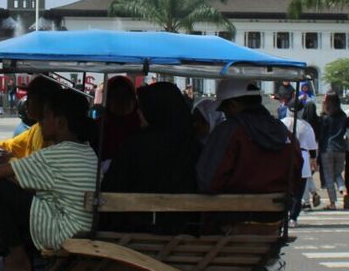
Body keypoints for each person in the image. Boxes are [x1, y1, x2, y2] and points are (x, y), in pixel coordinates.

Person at [0, 88, 97, 271]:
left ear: (61, 122)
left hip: (63, 231)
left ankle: (17, 260)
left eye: (45, 117)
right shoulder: (86, 150)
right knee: (13, 189)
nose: (40, 122)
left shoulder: (57, 155)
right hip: (77, 225)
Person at [102, 82, 197, 233]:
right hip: (187, 232)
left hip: (134, 236)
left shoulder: (134, 146)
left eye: (142, 107)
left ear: (156, 110)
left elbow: (111, 188)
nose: (138, 112)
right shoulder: (194, 145)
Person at [196, 80, 302, 196]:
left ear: (233, 105)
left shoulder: (229, 131)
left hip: (232, 210)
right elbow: (296, 178)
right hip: (276, 212)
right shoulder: (285, 133)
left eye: (225, 109)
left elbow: (209, 181)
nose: (225, 114)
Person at [282, 99, 318, 228]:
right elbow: (312, 147)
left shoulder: (281, 123)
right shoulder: (306, 126)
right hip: (302, 157)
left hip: (284, 156)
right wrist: (314, 161)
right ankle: (293, 217)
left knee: (285, 189)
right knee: (299, 191)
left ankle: (284, 215)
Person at [94, 75, 142, 168]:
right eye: (116, 96)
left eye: (125, 96)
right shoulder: (98, 126)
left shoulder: (142, 125)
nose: (122, 101)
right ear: (108, 100)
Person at [319, 93, 348, 210]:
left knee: (329, 176)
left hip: (327, 147)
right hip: (341, 147)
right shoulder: (343, 115)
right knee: (337, 173)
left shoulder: (325, 117)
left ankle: (332, 202)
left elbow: (321, 133)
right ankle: (343, 190)